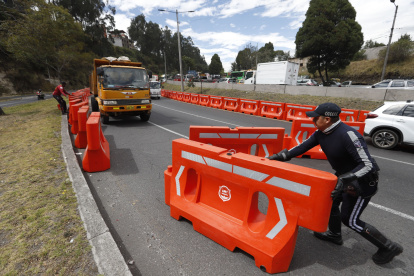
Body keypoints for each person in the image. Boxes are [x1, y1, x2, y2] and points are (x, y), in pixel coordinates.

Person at [267, 102, 403, 265]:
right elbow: (302, 147)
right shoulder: (321, 133)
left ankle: (388, 246)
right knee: (330, 202)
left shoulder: (349, 135)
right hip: (343, 178)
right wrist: (280, 156)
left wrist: (344, 179)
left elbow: (367, 165)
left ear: (327, 119)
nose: (313, 120)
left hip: (362, 182)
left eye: (315, 118)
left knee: (350, 220)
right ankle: (335, 235)